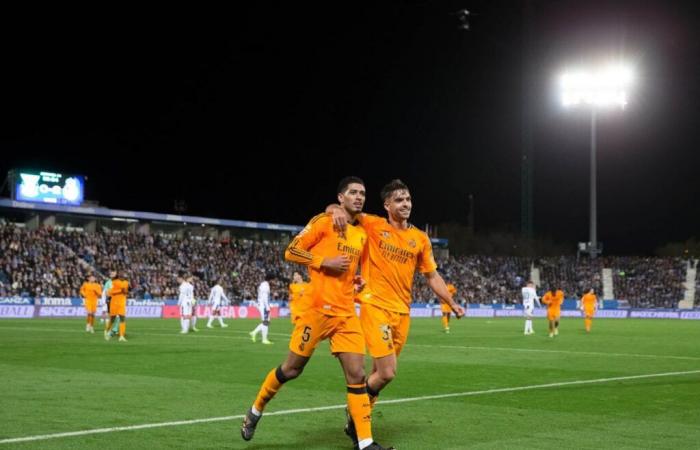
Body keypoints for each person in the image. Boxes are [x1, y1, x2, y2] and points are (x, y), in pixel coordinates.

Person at [241, 176, 393, 450]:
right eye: (353, 193)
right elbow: (291, 252)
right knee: (291, 369)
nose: (359, 197)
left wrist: (355, 280)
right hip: (316, 312)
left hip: (346, 314)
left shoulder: (360, 233)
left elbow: (349, 268)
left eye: (363, 193)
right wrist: (324, 261)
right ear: (340, 198)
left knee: (357, 375)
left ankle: (365, 442)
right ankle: (256, 408)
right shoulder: (324, 222)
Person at [328, 179, 463, 448]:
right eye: (399, 200)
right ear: (387, 205)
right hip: (374, 305)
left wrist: (451, 302)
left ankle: (356, 419)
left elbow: (432, 275)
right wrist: (335, 210)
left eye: (409, 199)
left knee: (379, 373)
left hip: (403, 312)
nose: (406, 204)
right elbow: (337, 207)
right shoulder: (373, 224)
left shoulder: (420, 239)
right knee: (388, 372)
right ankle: (356, 417)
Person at [249, 273, 275, 345]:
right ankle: (264, 339)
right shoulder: (265, 286)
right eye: (273, 280)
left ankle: (254, 332)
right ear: (270, 280)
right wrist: (267, 307)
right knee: (266, 322)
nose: (274, 282)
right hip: (263, 306)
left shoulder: (263, 284)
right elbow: (264, 298)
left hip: (262, 305)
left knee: (267, 321)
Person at [106, 270, 129, 342]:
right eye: (121, 275)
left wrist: (124, 291)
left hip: (122, 303)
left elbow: (126, 292)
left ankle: (121, 336)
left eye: (124, 275)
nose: (123, 276)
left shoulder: (126, 283)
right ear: (118, 276)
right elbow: (109, 292)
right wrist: (119, 291)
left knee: (122, 318)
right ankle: (107, 331)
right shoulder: (113, 282)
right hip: (114, 303)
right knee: (112, 318)